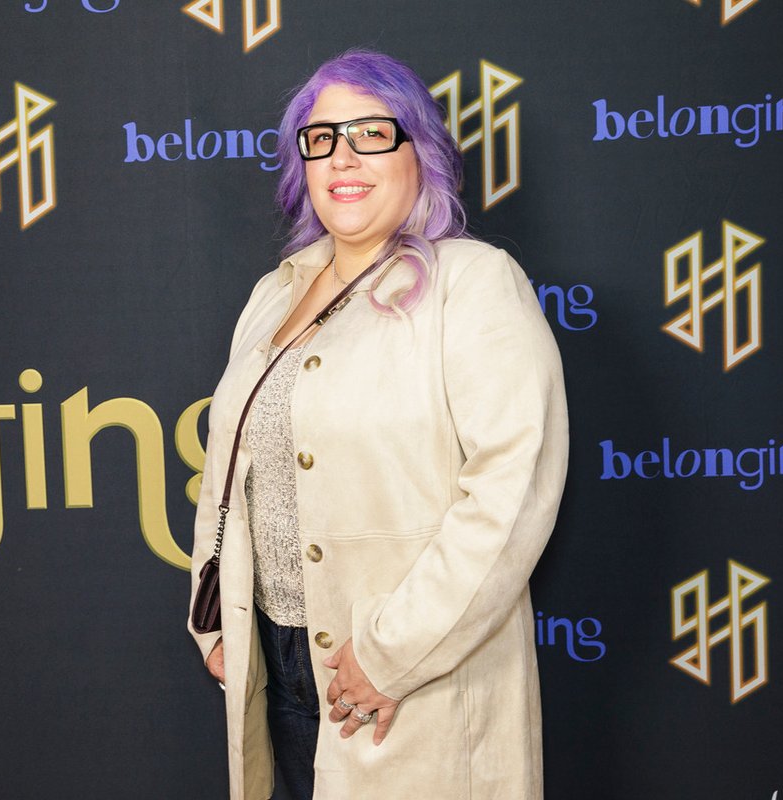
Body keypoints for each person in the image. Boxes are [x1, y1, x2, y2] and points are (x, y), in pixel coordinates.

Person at [188, 49, 569, 800]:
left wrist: (389, 654)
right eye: (321, 138)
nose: (343, 157)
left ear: (418, 151)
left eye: (371, 133)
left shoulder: (475, 283)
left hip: (409, 677)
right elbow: (227, 471)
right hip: (276, 665)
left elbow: (509, 497)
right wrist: (216, 620)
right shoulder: (273, 294)